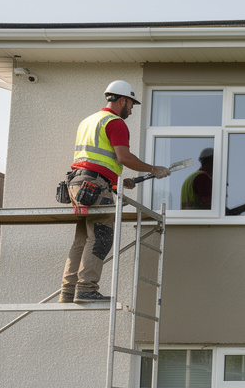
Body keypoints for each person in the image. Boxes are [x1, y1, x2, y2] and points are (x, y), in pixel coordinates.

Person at [61, 80, 168, 303]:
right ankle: (87, 288)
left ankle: (68, 291)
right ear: (122, 100)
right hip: (94, 186)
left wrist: (116, 182)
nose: (131, 109)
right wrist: (152, 169)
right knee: (101, 236)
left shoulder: (89, 121)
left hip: (78, 184)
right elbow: (123, 157)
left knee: (82, 239)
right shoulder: (116, 122)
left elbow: (93, 161)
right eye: (131, 104)